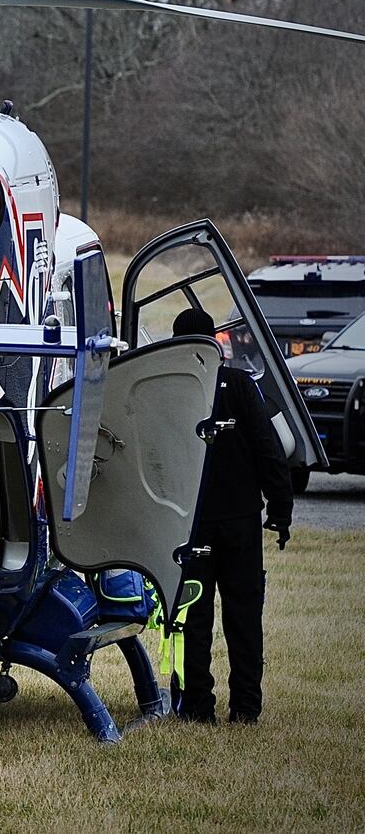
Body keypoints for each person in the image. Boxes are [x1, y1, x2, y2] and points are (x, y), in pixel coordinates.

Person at [171, 307, 294, 726]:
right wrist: (280, 511)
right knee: (244, 618)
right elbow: (268, 450)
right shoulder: (241, 385)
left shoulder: (170, 390)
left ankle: (196, 707)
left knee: (192, 617)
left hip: (192, 526)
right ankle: (246, 707)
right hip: (241, 521)